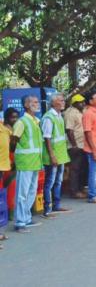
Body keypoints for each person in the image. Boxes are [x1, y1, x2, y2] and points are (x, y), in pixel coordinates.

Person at [11, 96, 43, 233]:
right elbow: (13, 141)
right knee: (22, 193)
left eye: (37, 102)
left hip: (35, 161)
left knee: (31, 191)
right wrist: (16, 158)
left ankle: (26, 218)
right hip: (25, 162)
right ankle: (19, 222)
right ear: (26, 105)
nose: (37, 104)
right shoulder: (22, 122)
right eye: (34, 102)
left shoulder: (36, 121)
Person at [41, 93, 71, 218]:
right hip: (53, 156)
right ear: (53, 103)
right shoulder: (48, 117)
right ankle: (47, 209)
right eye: (60, 100)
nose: (63, 102)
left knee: (58, 181)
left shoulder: (59, 116)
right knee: (50, 182)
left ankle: (56, 205)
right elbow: (47, 138)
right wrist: (52, 156)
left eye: (63, 100)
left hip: (61, 155)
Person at [0, 108, 18, 245]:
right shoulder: (4, 129)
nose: (15, 120)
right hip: (5, 165)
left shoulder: (5, 129)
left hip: (7, 164)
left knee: (5, 194)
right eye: (12, 117)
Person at [64, 94, 87, 198]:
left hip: (82, 145)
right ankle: (74, 191)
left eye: (83, 101)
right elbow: (69, 130)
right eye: (80, 102)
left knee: (81, 168)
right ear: (74, 103)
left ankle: (80, 188)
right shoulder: (70, 113)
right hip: (75, 146)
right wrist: (74, 145)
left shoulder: (80, 111)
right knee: (75, 169)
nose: (83, 103)